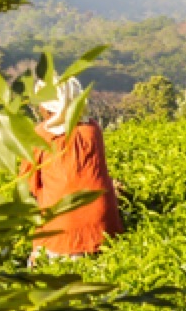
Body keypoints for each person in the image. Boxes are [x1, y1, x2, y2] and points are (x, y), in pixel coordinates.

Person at [23, 77, 125, 261]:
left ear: (48, 107)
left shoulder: (41, 135)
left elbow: (27, 183)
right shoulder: (93, 129)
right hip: (103, 227)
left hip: (60, 232)